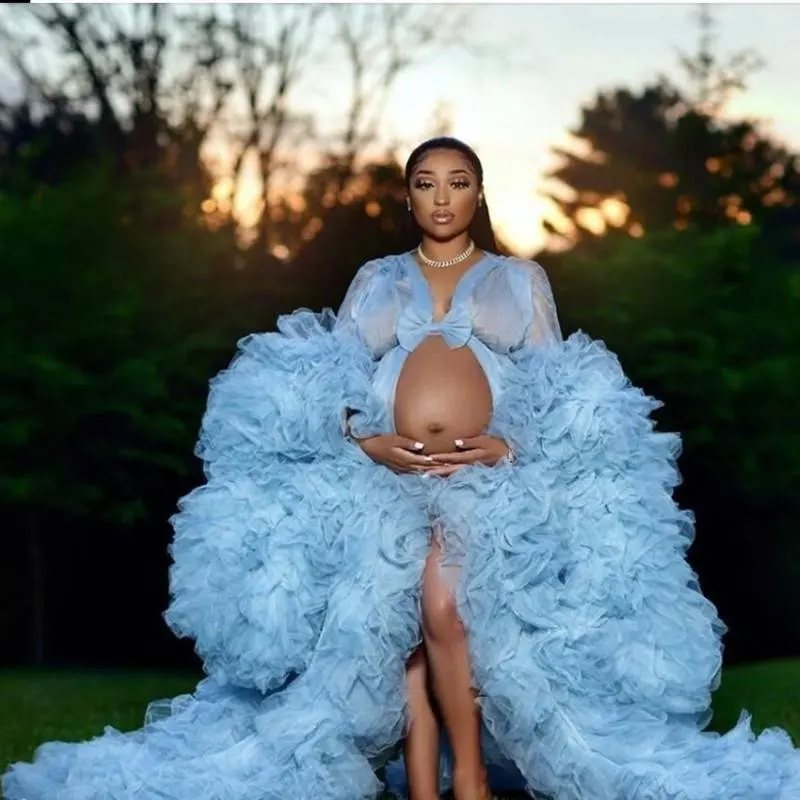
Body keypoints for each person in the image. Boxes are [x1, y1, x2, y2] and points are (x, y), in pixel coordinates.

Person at [3, 136, 800, 800]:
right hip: (382, 482)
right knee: (402, 630)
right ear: (409, 197)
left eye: (458, 183)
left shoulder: (520, 281)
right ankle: (426, 780)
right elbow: (333, 386)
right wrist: (366, 443)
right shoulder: (376, 281)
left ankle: (473, 778)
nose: (442, 197)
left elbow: (563, 390)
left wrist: (505, 446)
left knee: (448, 606)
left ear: (479, 194)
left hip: (483, 485)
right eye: (426, 183)